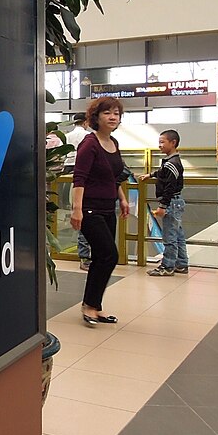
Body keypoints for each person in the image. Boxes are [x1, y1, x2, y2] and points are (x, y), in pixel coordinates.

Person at [71, 97, 130, 326]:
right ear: (96, 117)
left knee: (100, 257)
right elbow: (79, 178)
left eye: (116, 113)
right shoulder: (89, 143)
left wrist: (122, 198)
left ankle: (94, 305)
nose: (113, 117)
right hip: (90, 209)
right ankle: (89, 305)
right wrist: (77, 210)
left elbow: (113, 177)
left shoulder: (113, 142)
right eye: (107, 113)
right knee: (109, 255)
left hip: (108, 208)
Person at [137, 129, 188, 276]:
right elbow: (162, 173)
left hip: (171, 203)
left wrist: (162, 206)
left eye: (162, 142)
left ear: (173, 143)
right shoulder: (170, 162)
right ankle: (181, 264)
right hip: (175, 202)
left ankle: (167, 266)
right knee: (178, 235)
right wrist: (151, 174)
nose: (159, 145)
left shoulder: (172, 163)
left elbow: (169, 187)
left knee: (169, 237)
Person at [63, 112, 92, 269]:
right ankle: (85, 256)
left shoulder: (67, 136)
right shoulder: (88, 136)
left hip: (67, 167)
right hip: (81, 168)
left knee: (70, 199)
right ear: (86, 122)